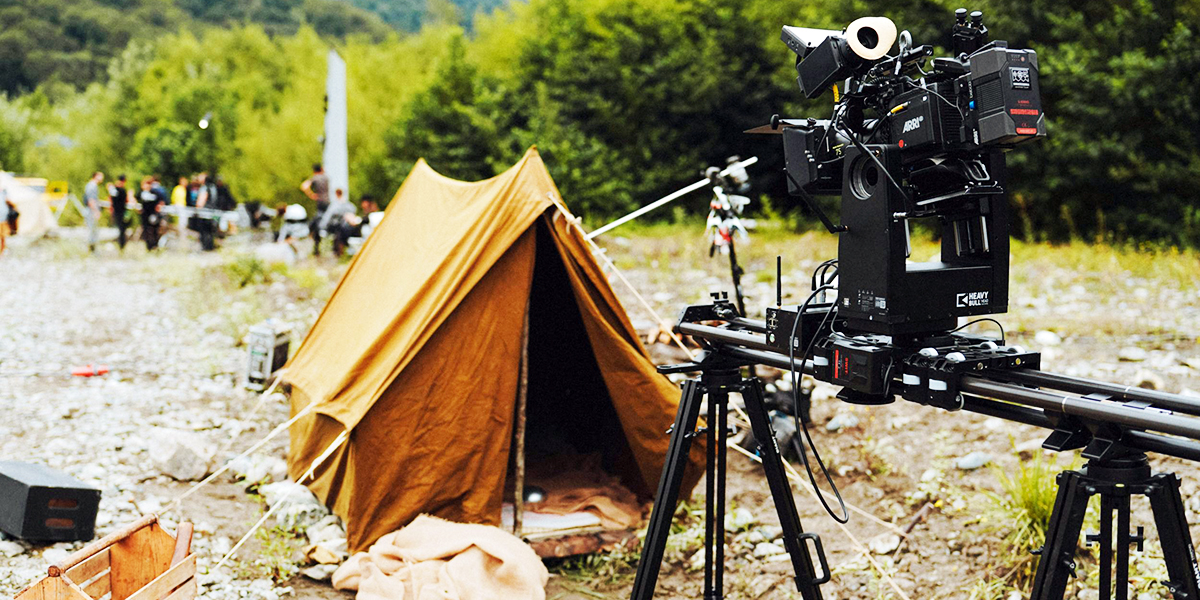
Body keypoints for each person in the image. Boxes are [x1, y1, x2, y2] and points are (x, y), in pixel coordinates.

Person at [300, 163, 330, 256]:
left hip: (320, 202)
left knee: (318, 223)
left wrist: (311, 195)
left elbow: (304, 186)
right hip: (328, 202)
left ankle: (316, 245)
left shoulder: (315, 178)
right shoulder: (325, 177)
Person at [138, 176, 167, 250]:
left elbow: (162, 201)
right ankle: (149, 247)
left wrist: (159, 206)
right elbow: (136, 199)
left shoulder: (155, 192)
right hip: (145, 214)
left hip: (154, 214)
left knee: (155, 230)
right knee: (146, 231)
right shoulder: (141, 193)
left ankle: (155, 245)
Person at [107, 175, 132, 250]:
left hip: (116, 211)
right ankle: (121, 245)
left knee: (119, 228)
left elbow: (110, 198)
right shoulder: (122, 190)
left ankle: (120, 244)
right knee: (121, 229)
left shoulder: (113, 189)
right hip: (121, 211)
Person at [83, 171, 103, 253]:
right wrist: (96, 211)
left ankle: (92, 249)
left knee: (93, 230)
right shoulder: (92, 186)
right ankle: (91, 250)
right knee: (92, 230)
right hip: (91, 210)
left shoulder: (92, 185)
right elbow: (91, 200)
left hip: (91, 209)